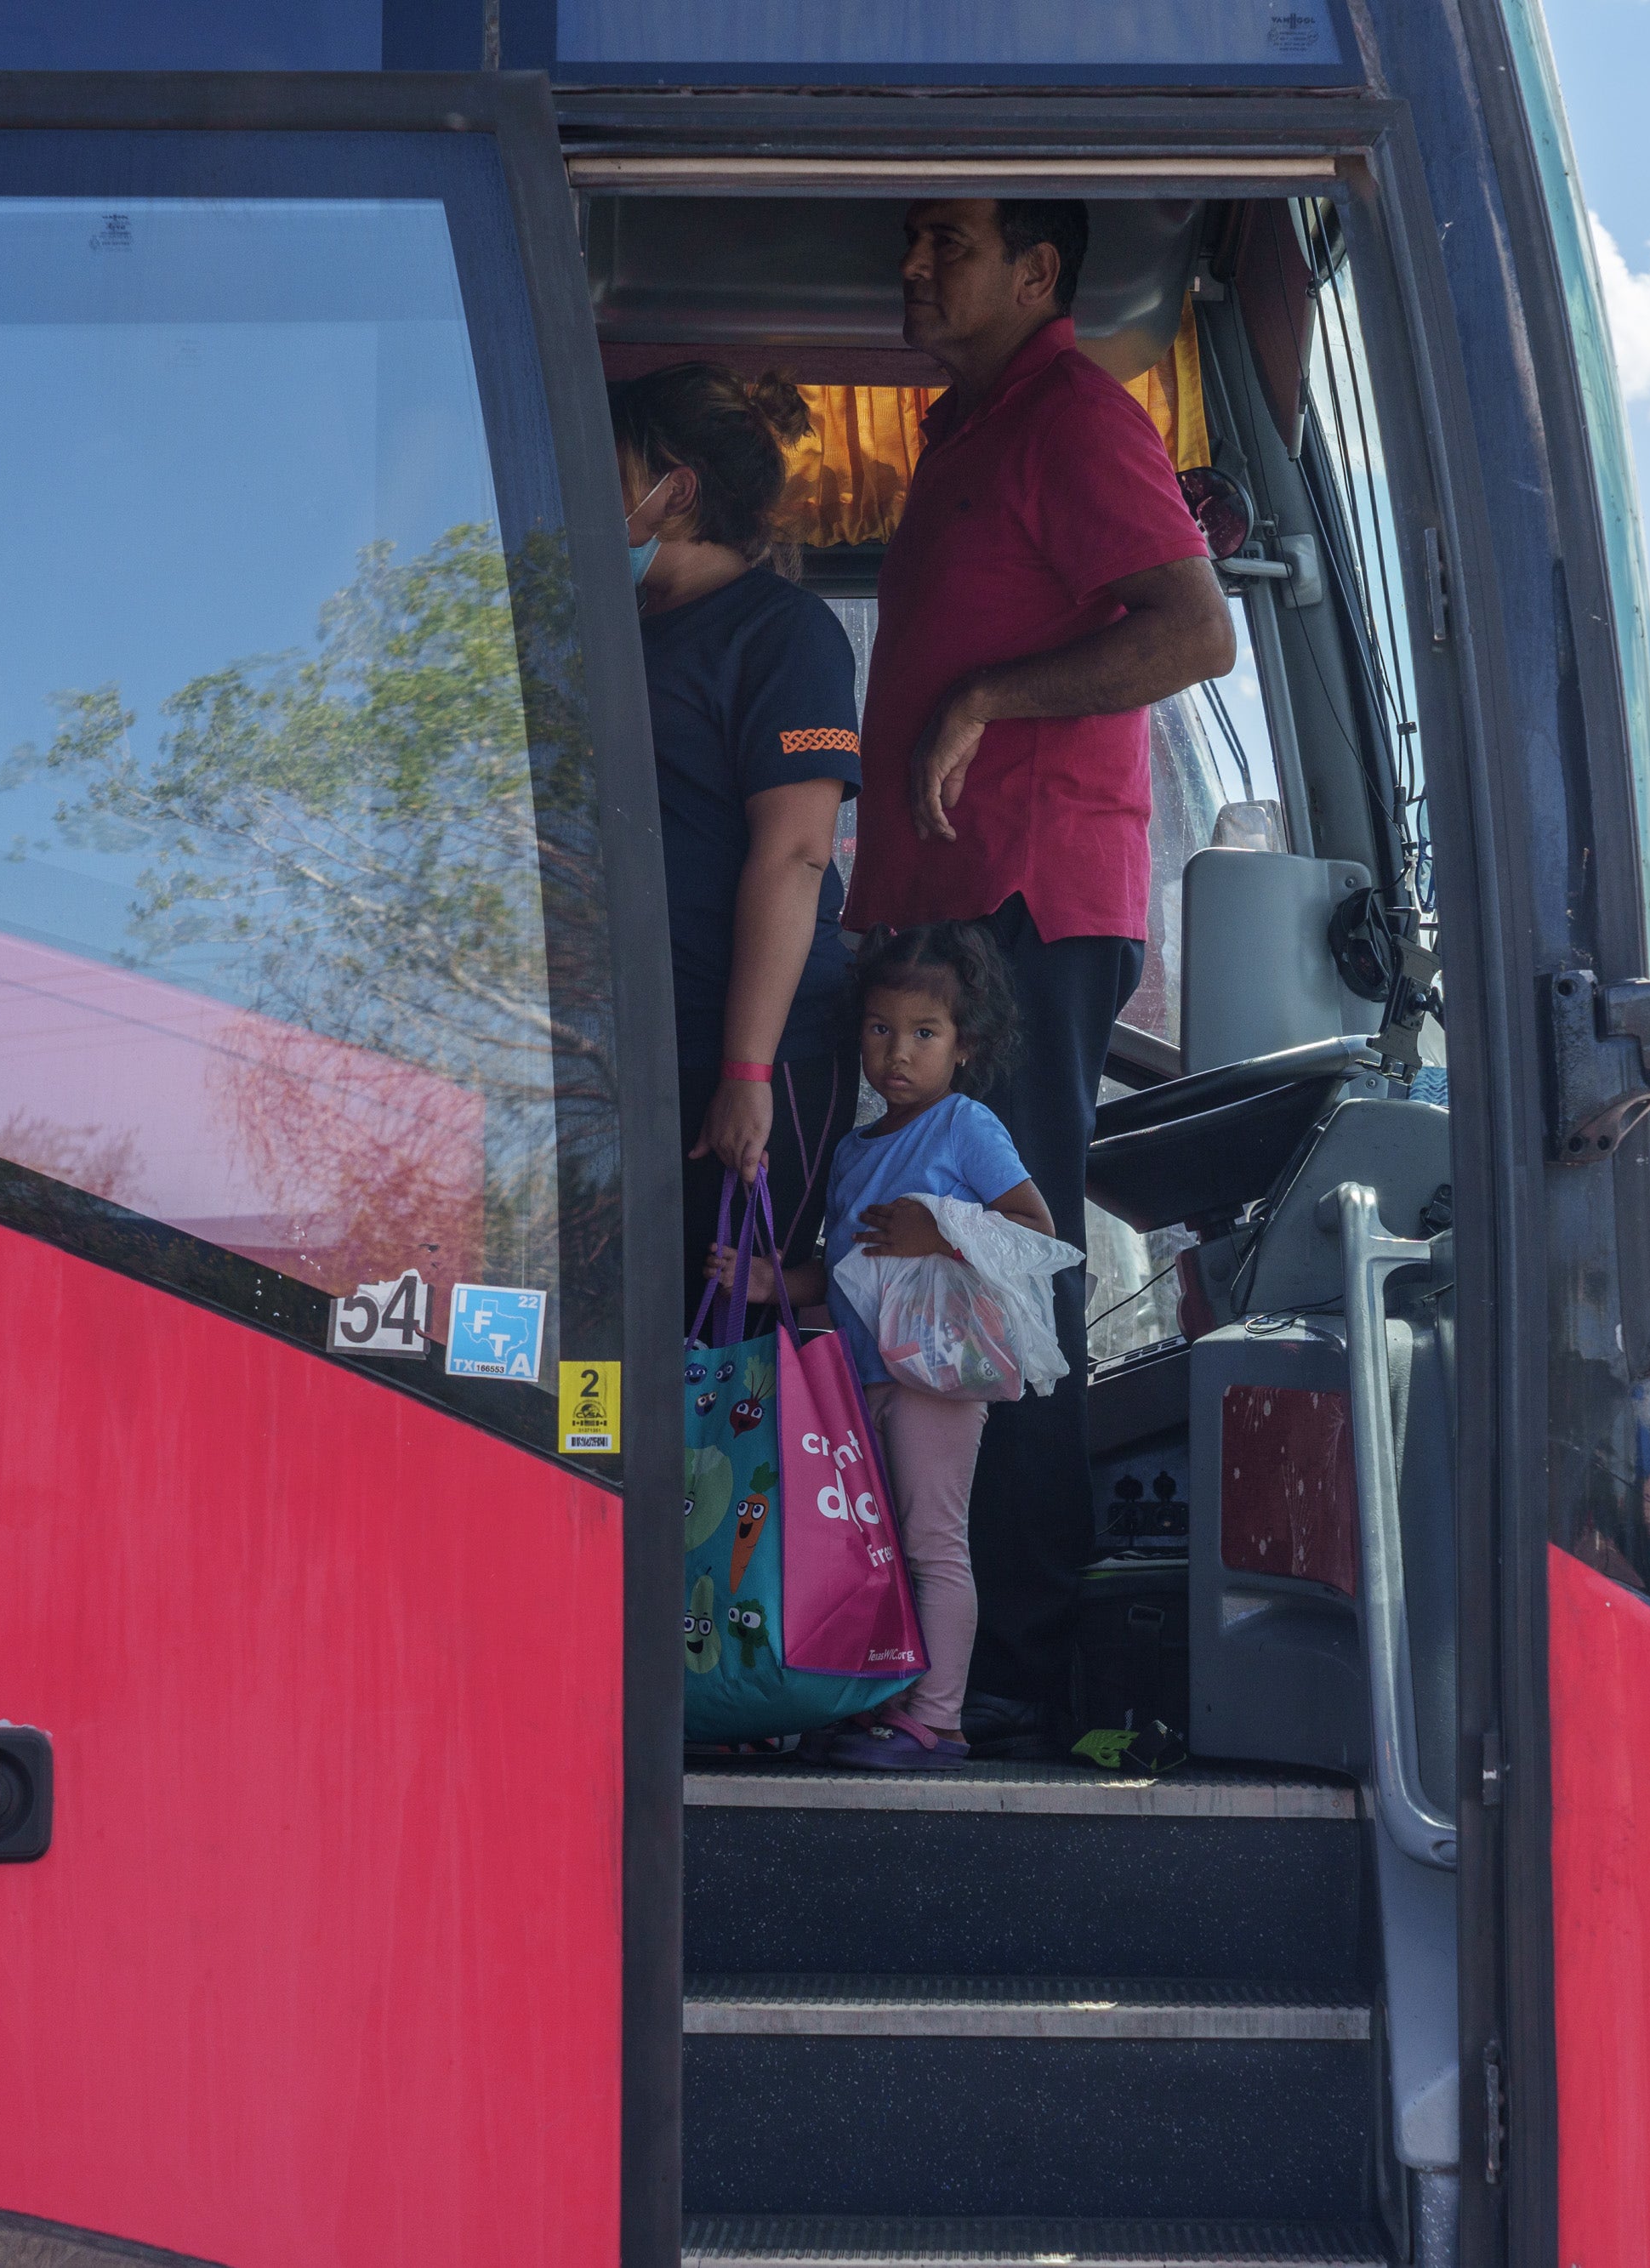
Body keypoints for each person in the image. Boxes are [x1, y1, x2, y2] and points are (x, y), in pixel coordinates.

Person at [842, 196, 1236, 1744]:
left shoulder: (1074, 412)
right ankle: (932, 1650)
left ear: (1040, 274)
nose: (913, 262)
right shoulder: (968, 425)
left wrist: (988, 697)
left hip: (1020, 912)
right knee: (918, 1280)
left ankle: (1015, 1675)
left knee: (993, 1289)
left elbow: (1195, 632)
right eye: (913, 236)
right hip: (945, 915)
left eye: (946, 240)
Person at [715, 925, 1061, 1771]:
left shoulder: (964, 1124)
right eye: (879, 1030)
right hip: (864, 1374)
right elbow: (844, 1268)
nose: (897, 1054)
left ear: (964, 1045)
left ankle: (938, 1720)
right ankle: (883, 1702)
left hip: (938, 1375)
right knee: (877, 1546)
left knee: (931, 1543)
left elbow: (1033, 1227)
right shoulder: (850, 1150)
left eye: (923, 1034)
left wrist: (936, 1228)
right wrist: (772, 1284)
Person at [608, 361, 867, 1302]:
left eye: (605, 465)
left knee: (724, 1329)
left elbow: (795, 856)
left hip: (755, 1045)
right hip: (630, 1038)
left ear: (672, 492)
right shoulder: (614, 628)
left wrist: (745, 1070)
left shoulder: (782, 635)